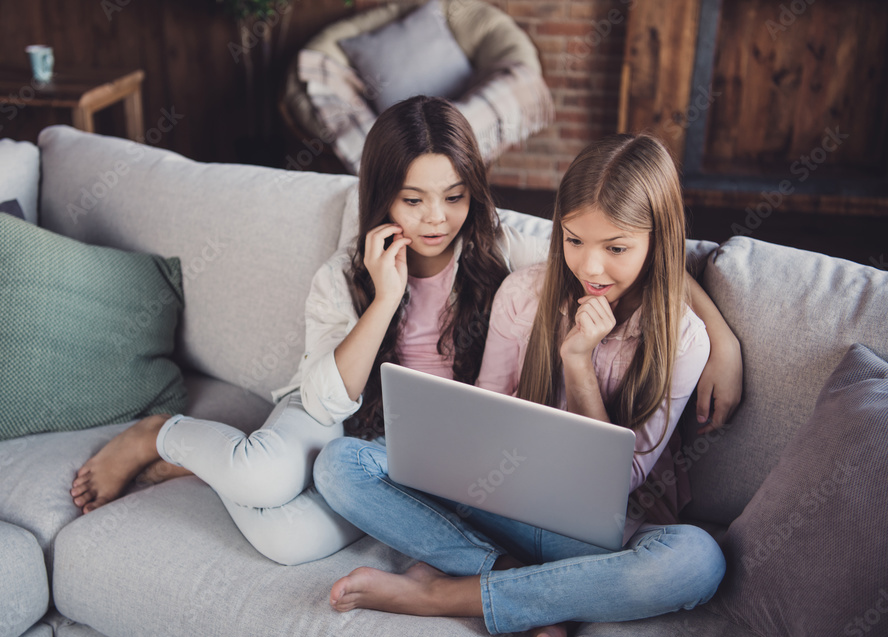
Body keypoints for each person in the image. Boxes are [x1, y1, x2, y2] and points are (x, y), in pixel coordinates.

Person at [71, 97, 739, 567]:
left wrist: (718, 332)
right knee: (270, 473)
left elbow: (627, 248)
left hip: (404, 455)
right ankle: (158, 433)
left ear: (474, 193)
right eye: (412, 199)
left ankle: (199, 469)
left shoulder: (497, 264)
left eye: (452, 197)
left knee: (288, 541)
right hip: (332, 416)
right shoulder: (348, 276)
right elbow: (328, 399)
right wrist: (385, 298)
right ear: (383, 197)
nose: (435, 219)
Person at [314, 133, 729, 637]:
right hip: (499, 502)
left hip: (590, 537)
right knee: (339, 463)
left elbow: (616, 481)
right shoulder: (524, 293)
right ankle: (527, 588)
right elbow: (488, 416)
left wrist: (577, 363)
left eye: (617, 248)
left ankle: (449, 593)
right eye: (574, 240)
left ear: (658, 242)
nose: (591, 268)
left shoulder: (684, 339)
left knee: (699, 560)